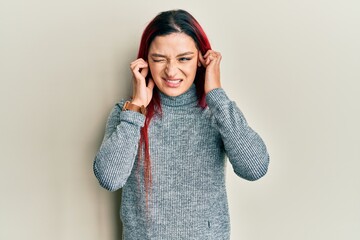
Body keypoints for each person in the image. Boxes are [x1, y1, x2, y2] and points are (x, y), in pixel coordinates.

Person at [93, 9, 269, 240]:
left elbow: (255, 169)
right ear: (145, 61)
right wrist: (137, 107)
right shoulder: (127, 114)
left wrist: (215, 94)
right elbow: (109, 179)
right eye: (159, 59)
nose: (171, 71)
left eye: (184, 58)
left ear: (201, 59)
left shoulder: (217, 112)